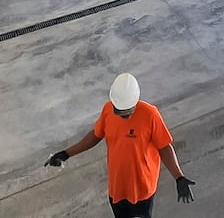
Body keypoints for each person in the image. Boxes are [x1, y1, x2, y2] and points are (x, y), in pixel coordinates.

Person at [46, 73, 196, 217]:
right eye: (119, 111)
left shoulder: (150, 115)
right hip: (117, 188)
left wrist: (179, 177)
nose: (123, 116)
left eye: (127, 112)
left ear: (136, 102)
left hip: (142, 190)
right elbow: (95, 135)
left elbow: (164, 147)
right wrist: (66, 154)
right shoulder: (107, 110)